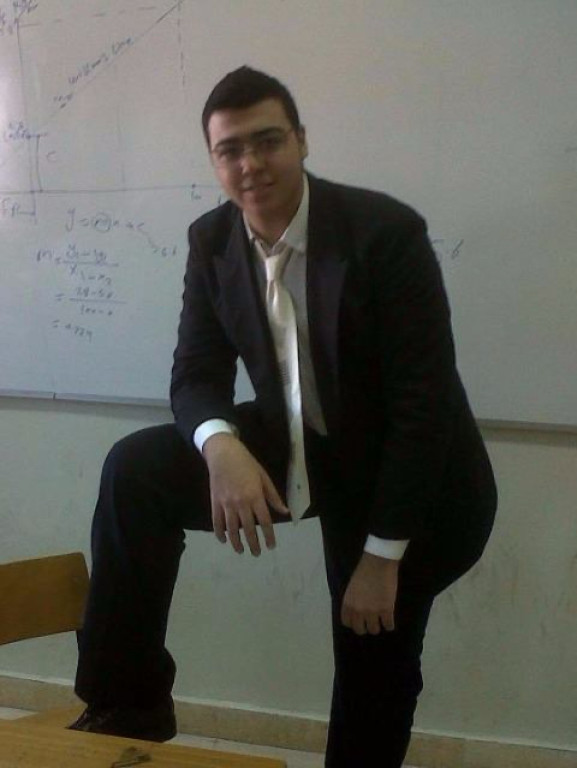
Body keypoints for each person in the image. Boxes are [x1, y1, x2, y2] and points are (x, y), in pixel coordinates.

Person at [70, 67, 497, 767]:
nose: (250, 164)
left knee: (369, 652)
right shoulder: (212, 240)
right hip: (303, 439)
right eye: (230, 149)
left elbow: (423, 410)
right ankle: (128, 702)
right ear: (213, 160)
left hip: (412, 481)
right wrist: (221, 447)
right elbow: (195, 374)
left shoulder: (384, 233)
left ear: (300, 140)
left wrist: (381, 557)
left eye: (267, 141)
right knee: (135, 470)